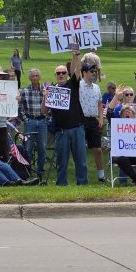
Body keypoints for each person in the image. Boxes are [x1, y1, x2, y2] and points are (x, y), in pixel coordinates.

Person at [50, 48, 88, 186]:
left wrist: (75, 55)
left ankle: (82, 184)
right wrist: (44, 97)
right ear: (55, 75)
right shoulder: (52, 91)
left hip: (77, 128)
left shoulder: (73, 84)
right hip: (61, 131)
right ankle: (61, 185)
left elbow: (76, 71)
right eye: (58, 73)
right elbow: (44, 111)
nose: (61, 75)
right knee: (62, 162)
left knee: (81, 161)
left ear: (67, 74)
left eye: (63, 72)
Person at [17, 68, 47, 182]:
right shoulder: (25, 91)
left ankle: (40, 171)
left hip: (42, 121)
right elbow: (20, 107)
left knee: (42, 148)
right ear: (30, 78)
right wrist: (25, 120)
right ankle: (27, 170)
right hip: (30, 121)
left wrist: (47, 119)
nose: (35, 78)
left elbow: (49, 107)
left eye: (36, 76)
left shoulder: (44, 90)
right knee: (27, 147)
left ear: (39, 77)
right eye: (32, 76)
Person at [78, 62, 106, 182]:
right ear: (84, 73)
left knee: (98, 149)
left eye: (95, 71)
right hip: (81, 120)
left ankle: (101, 175)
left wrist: (101, 118)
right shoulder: (78, 86)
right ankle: (82, 175)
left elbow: (100, 104)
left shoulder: (97, 87)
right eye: (91, 71)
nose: (94, 73)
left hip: (93, 120)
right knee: (80, 149)